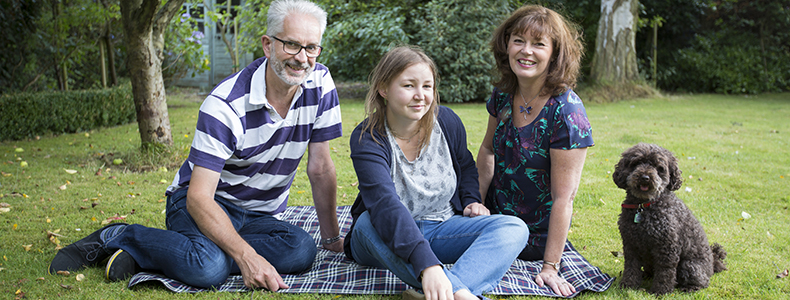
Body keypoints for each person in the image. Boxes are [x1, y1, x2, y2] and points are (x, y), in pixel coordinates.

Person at [48, 0, 344, 292]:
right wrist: (247, 257)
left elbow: (320, 167)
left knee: (302, 249)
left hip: (260, 216)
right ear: (268, 45)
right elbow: (199, 198)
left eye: (311, 47)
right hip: (201, 203)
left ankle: (162, 255)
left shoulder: (320, 84)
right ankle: (120, 236)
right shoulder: (225, 105)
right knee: (208, 268)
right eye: (291, 45)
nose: (302, 58)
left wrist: (331, 240)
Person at [345, 45, 529, 300]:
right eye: (409, 86)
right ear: (384, 89)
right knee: (365, 223)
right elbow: (385, 205)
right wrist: (427, 265)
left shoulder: (447, 122)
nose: (420, 95)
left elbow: (464, 165)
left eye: (427, 86)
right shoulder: (368, 139)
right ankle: (457, 291)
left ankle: (448, 291)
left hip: (442, 226)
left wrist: (471, 199)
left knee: (513, 227)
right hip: (384, 232)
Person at [476, 4, 593, 297]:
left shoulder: (567, 113)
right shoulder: (503, 94)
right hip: (492, 221)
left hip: (534, 238)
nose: (525, 51)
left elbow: (563, 198)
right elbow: (488, 151)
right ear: (507, 45)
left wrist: (550, 266)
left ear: (555, 54)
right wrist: (473, 207)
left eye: (538, 44)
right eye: (518, 40)